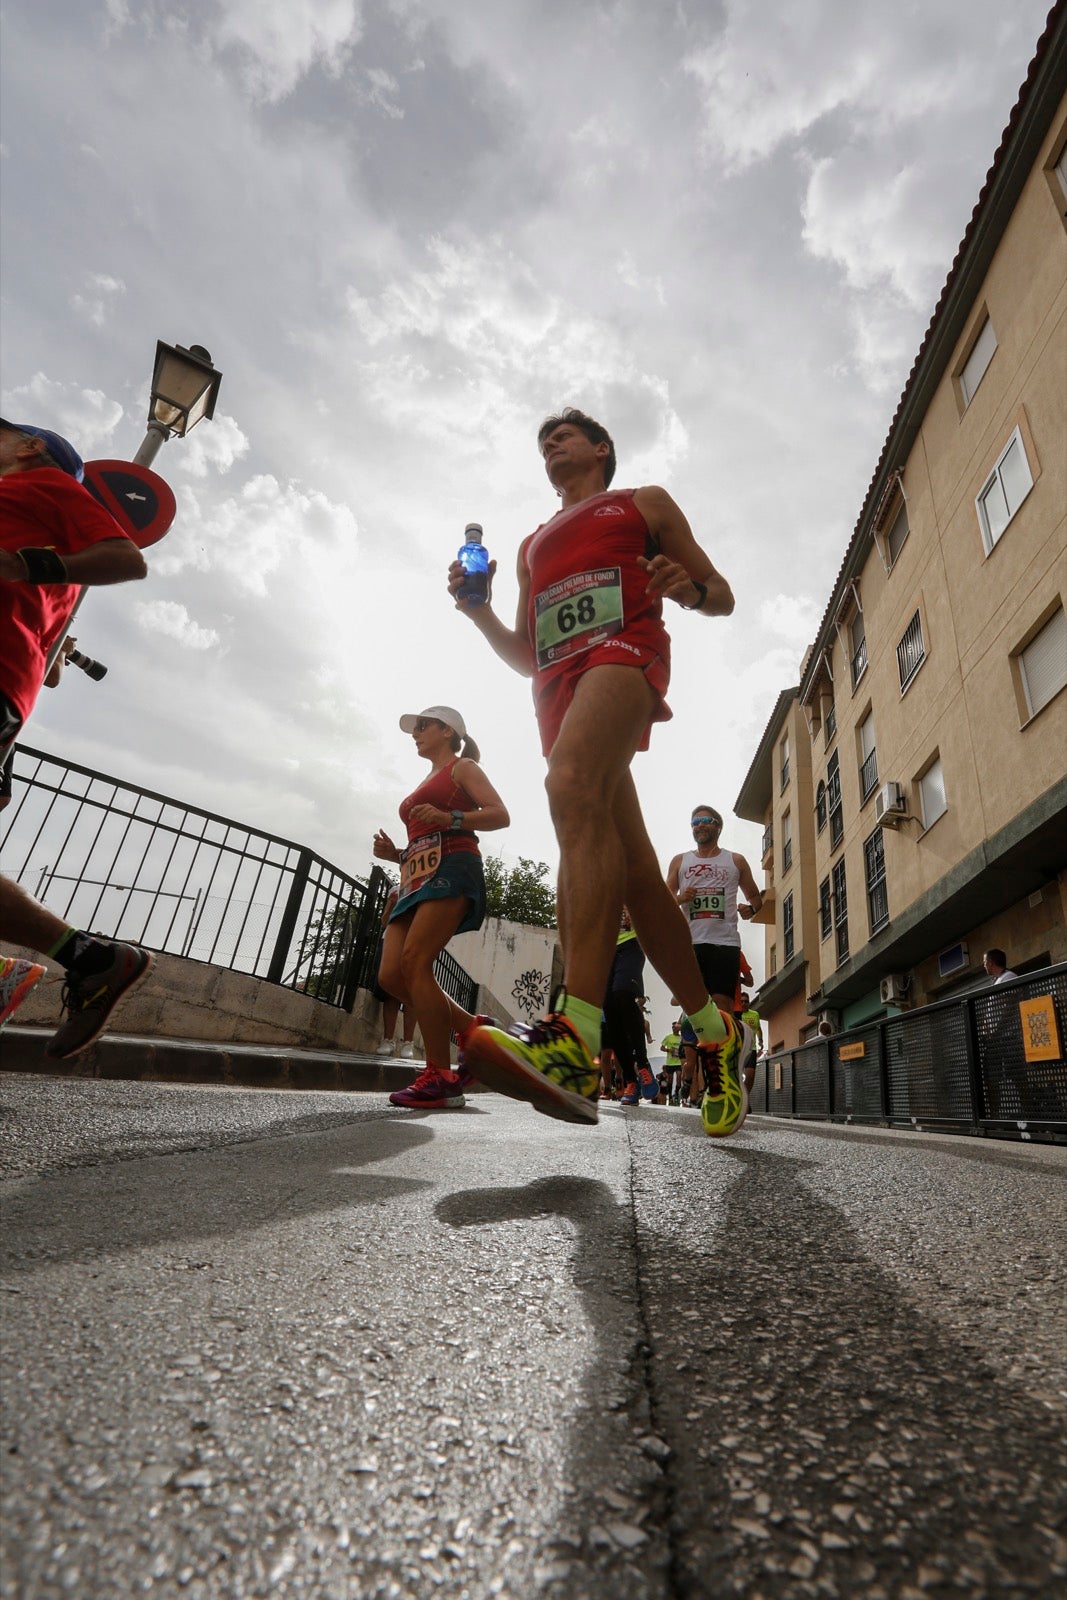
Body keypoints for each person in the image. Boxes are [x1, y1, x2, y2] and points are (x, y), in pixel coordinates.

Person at [448, 406, 752, 1137]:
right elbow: (527, 652)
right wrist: (478, 614)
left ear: (599, 449)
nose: (550, 443)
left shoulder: (641, 501)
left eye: (563, 435)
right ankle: (714, 1033)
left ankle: (573, 1039)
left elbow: (720, 595)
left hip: (624, 651)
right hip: (557, 688)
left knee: (568, 786)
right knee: (641, 881)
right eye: (541, 440)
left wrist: (683, 587)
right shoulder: (527, 545)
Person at [0, 419, 152, 1056]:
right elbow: (52, 659)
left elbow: (127, 558)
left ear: (31, 446)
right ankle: (88, 958)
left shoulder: (45, 484)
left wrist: (29, 563)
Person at [373, 706, 509, 1109]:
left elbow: (500, 815)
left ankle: (441, 1076)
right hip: (414, 880)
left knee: (416, 962)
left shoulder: (462, 768)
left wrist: (450, 816)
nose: (414, 733)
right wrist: (395, 853)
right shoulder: (427, 779)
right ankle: (472, 1029)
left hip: (453, 867)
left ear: (447, 730)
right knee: (392, 976)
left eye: (422, 726)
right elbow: (422, 841)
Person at [666, 805, 763, 1094]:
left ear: (718, 826)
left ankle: (722, 1076)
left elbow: (755, 898)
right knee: (695, 1012)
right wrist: (682, 897)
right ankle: (705, 1073)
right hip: (691, 943)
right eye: (695, 821)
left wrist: (750, 908)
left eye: (706, 821)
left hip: (725, 943)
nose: (700, 825)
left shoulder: (735, 860)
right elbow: (663, 897)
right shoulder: (680, 861)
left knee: (722, 1010)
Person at [602, 909, 657, 1106]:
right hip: (606, 952)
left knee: (622, 994)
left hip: (631, 946)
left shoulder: (635, 880)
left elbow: (657, 903)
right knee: (610, 1011)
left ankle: (642, 1063)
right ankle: (631, 1082)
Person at [372, 889, 418, 1058]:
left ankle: (408, 1043)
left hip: (414, 942)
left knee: (411, 995)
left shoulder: (424, 887)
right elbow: (385, 922)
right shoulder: (395, 890)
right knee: (390, 992)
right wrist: (391, 903)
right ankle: (388, 1040)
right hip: (391, 941)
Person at [739, 992, 763, 1095]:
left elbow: (758, 1028)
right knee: (737, 1077)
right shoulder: (736, 1015)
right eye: (742, 1001)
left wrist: (760, 1040)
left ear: (749, 1003)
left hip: (751, 1049)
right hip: (738, 1049)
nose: (744, 1003)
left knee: (750, 1077)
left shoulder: (755, 1014)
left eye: (746, 1001)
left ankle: (744, 1098)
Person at [660, 1018, 683, 1105]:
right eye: (672, 1027)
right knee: (670, 1080)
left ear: (678, 1028)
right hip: (670, 1062)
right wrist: (669, 1050)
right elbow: (661, 1048)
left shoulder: (681, 1038)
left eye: (675, 1027)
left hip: (679, 1062)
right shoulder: (668, 1037)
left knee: (679, 1077)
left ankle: (676, 1095)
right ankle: (669, 1096)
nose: (674, 1029)